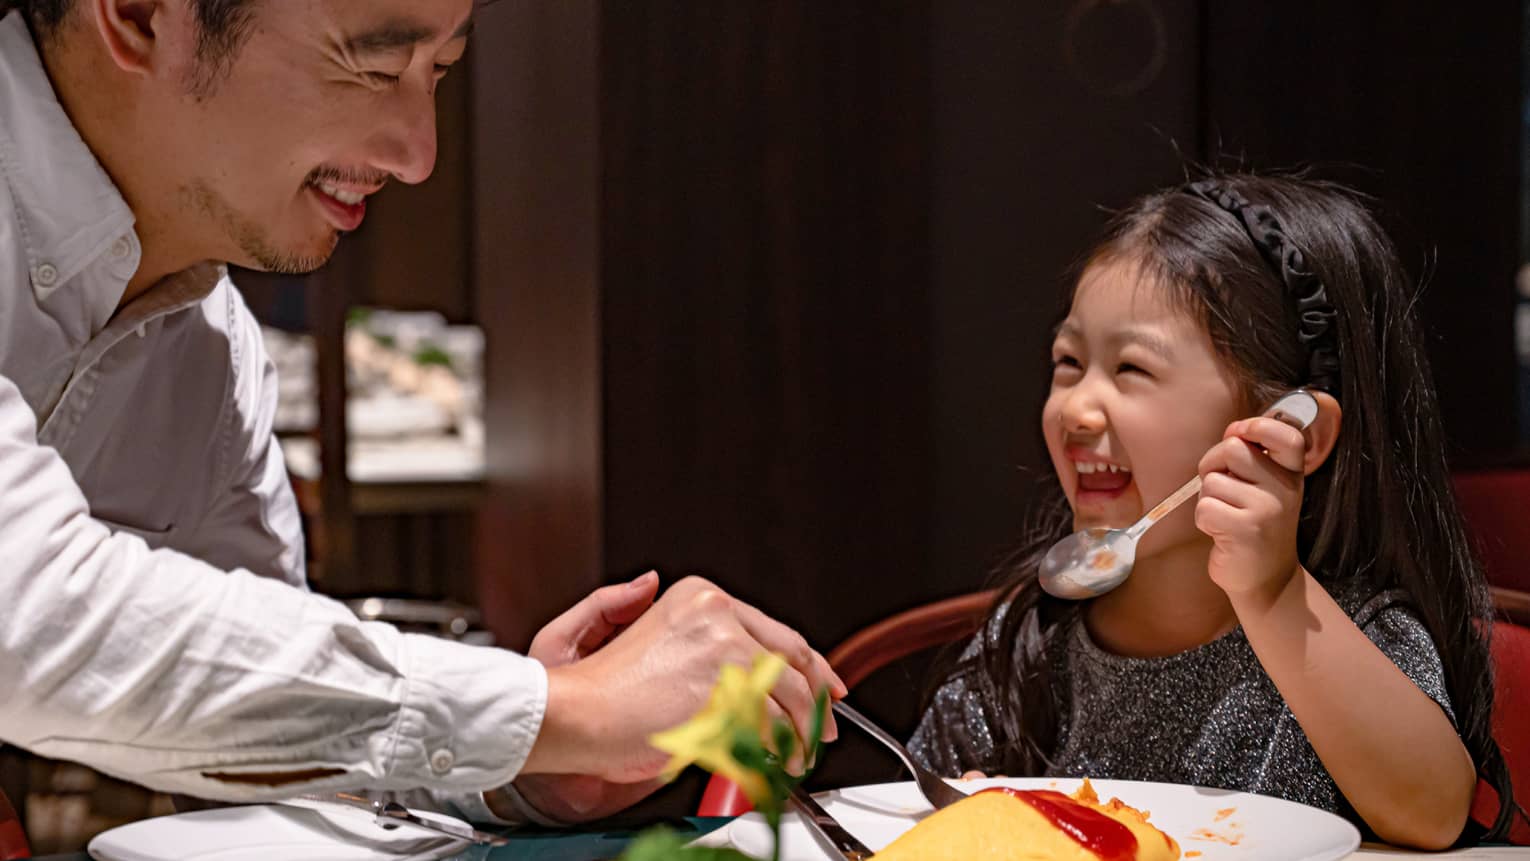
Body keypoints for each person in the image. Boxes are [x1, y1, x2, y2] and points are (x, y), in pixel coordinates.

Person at [0, 0, 843, 827]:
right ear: (141, 15)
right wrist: (558, 710)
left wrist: (527, 768)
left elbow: (257, 737)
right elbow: (28, 618)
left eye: (438, 72)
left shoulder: (210, 352)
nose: (418, 154)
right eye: (371, 66)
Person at [908, 171, 1520, 848]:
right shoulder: (1033, 641)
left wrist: (1274, 592)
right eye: (1069, 361)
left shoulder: (1359, 629)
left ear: (1288, 425)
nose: (1076, 408)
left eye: (1132, 368)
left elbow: (1433, 813)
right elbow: (913, 805)